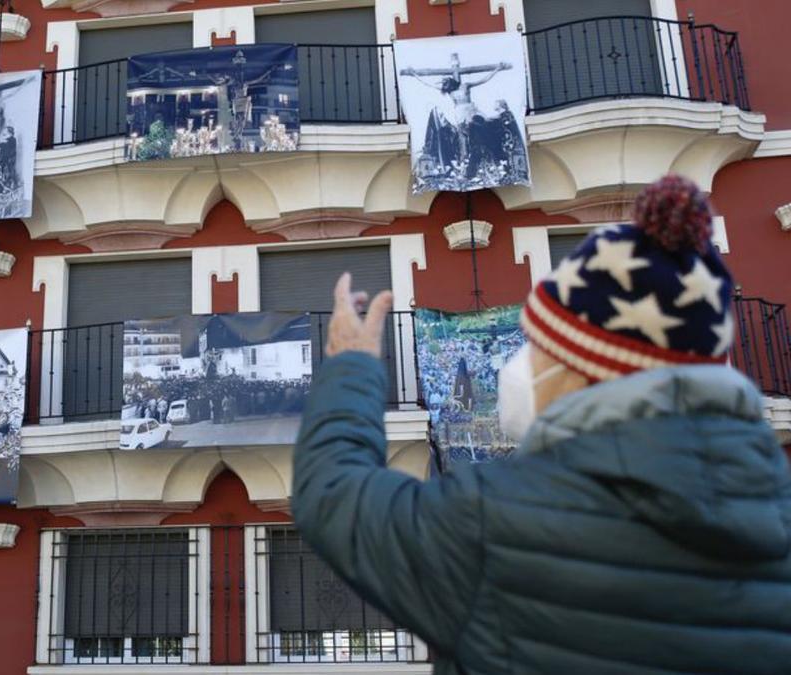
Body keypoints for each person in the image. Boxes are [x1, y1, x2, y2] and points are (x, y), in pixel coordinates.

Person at [293, 175, 791, 674]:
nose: (520, 363)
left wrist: (350, 365)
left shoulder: (494, 524)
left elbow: (333, 494)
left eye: (537, 345)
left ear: (581, 366)